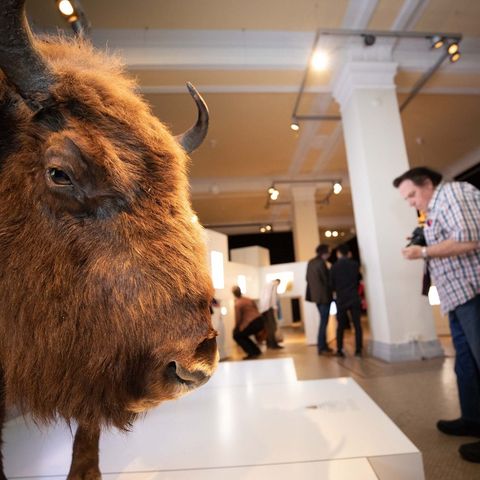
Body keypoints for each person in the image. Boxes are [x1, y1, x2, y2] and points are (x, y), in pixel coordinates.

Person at [393, 166, 480, 463]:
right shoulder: (435, 208)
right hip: (458, 297)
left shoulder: (453, 194)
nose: (411, 202)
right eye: (407, 199)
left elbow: (469, 240)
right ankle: (473, 419)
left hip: (474, 292)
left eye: (412, 195)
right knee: (466, 364)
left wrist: (424, 252)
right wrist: (424, 243)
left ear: (428, 183)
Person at [330, 244, 363, 357]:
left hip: (341, 298)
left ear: (338, 254)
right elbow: (359, 280)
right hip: (354, 297)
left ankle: (339, 349)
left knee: (340, 326)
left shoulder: (334, 267)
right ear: (348, 253)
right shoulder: (355, 264)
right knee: (357, 325)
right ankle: (358, 350)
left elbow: (331, 284)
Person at [305, 244, 333, 354]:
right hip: (324, 297)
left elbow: (307, 278)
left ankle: (323, 346)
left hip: (315, 297)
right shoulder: (321, 263)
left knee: (323, 321)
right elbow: (327, 280)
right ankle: (322, 347)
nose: (329, 255)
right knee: (323, 322)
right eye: (329, 252)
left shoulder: (310, 262)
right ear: (324, 253)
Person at [231, 286, 266, 360]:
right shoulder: (248, 299)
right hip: (260, 320)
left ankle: (252, 352)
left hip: (252, 323)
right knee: (242, 335)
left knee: (236, 335)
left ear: (234, 294)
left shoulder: (237, 304)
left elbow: (238, 318)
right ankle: (256, 351)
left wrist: (236, 328)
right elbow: (256, 309)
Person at [259, 279, 283, 349]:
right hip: (269, 308)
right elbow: (272, 297)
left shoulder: (266, 285)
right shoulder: (273, 285)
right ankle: (273, 344)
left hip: (263, 309)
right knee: (272, 327)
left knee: (268, 327)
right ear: (277, 282)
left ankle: (269, 343)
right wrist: (274, 307)